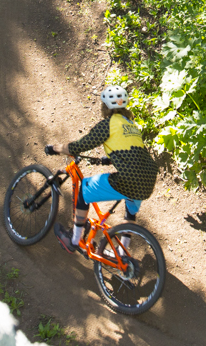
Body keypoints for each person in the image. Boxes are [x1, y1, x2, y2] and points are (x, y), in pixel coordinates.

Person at [45, 85, 156, 253]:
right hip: (148, 178)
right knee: (130, 207)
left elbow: (80, 146)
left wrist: (55, 148)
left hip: (130, 179)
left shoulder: (108, 124)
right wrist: (108, 159)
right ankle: (122, 252)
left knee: (84, 190)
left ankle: (74, 240)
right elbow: (132, 153)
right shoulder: (131, 124)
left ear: (105, 107)